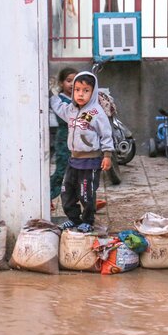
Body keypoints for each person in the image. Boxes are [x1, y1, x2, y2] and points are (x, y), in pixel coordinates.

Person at [49, 71, 114, 233]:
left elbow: (106, 134)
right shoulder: (70, 110)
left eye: (86, 91)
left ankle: (87, 220)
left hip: (91, 162)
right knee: (66, 192)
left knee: (86, 194)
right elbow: (58, 106)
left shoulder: (97, 113)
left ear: (92, 93)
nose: (80, 94)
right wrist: (49, 93)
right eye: (77, 90)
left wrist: (107, 155)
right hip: (73, 160)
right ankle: (73, 219)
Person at [50, 68, 77, 210]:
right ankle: (47, 196)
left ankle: (84, 199)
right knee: (62, 170)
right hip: (64, 139)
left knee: (80, 171)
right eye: (68, 81)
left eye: (75, 80)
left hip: (78, 140)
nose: (72, 84)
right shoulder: (58, 100)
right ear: (61, 83)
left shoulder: (80, 98)